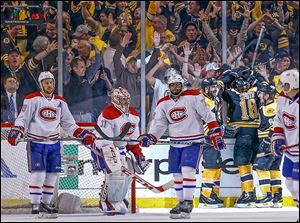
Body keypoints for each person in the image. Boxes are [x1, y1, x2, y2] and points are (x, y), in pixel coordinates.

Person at [7, 71, 96, 219]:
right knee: (39, 173)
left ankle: (45, 204)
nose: (49, 85)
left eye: (51, 82)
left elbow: (69, 124)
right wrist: (17, 130)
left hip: (54, 143)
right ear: (41, 84)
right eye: (46, 82)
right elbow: (22, 119)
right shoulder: (32, 99)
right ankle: (35, 205)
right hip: (36, 142)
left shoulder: (60, 102)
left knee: (52, 174)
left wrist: (82, 134)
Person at [138, 74, 226, 219]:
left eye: (178, 84)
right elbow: (159, 124)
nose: (176, 87)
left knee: (187, 170)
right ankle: (180, 203)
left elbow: (208, 115)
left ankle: (188, 201)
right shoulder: (163, 103)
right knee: (177, 174)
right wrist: (151, 136)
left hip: (193, 142)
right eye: (173, 85)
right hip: (175, 143)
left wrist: (215, 132)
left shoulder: (193, 96)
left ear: (182, 85)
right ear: (169, 86)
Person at [91, 87, 149, 215]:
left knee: (128, 174)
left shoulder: (133, 114)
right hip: (103, 148)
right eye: (122, 100)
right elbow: (104, 140)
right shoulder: (108, 113)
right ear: (115, 100)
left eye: (126, 100)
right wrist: (114, 156)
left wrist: (138, 154)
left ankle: (119, 200)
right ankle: (106, 202)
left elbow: (132, 140)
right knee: (115, 173)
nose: (125, 103)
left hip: (121, 149)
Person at [271, 69, 299, 220]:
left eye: (286, 85)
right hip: (290, 149)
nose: (283, 88)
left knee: (298, 185)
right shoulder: (282, 98)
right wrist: (278, 136)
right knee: (289, 183)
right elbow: (278, 118)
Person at [253, 83, 283, 208]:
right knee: (274, 168)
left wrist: (268, 139)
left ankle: (266, 196)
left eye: (261, 93)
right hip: (278, 144)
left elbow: (275, 124)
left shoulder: (270, 108)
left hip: (269, 142)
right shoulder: (273, 105)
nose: (259, 95)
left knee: (261, 167)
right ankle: (277, 198)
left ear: (267, 95)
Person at [198, 77, 224, 208]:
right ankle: (205, 197)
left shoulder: (216, 99)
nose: (215, 89)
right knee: (210, 166)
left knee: (217, 166)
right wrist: (213, 132)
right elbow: (202, 123)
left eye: (215, 86)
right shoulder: (203, 101)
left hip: (216, 136)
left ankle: (213, 193)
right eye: (212, 87)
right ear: (205, 89)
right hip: (207, 138)